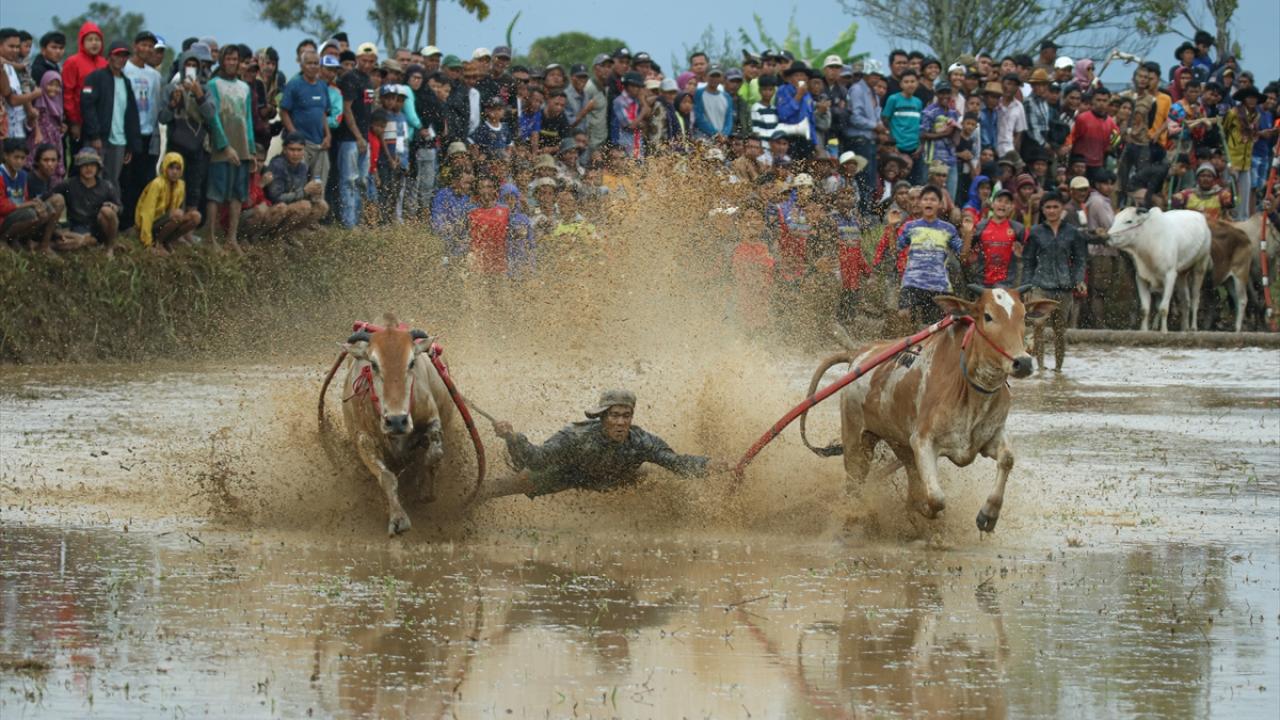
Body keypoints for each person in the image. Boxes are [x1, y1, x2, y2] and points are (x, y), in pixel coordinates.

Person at [483, 389, 728, 500]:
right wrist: (512, 437)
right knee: (508, 484)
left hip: (613, 479)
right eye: (614, 416)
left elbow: (675, 462)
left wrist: (709, 465)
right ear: (602, 417)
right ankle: (470, 501)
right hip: (566, 474)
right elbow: (537, 459)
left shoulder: (641, 441)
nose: (620, 422)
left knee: (652, 478)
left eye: (626, 416)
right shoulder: (576, 436)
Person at [1022, 191, 1086, 371]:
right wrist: (1027, 287)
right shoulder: (1036, 232)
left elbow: (1080, 259)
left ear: (1062, 208)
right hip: (1040, 286)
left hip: (1064, 287)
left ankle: (1058, 369)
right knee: (1038, 326)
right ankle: (1040, 367)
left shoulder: (1072, 232)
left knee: (1060, 330)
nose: (1051, 211)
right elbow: (1028, 261)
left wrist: (1078, 279)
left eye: (1055, 207)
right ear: (1042, 209)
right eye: (1048, 207)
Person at [205, 45, 256, 252]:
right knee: (216, 192)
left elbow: (248, 119)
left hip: (242, 145)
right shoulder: (213, 85)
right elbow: (213, 118)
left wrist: (251, 149)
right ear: (222, 61)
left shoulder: (245, 88)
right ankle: (210, 237)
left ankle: (231, 238)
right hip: (220, 147)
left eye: (235, 59)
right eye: (229, 59)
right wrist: (224, 145)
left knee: (238, 193)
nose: (232, 63)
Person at [896, 184, 969, 324]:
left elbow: (963, 256)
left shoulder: (948, 229)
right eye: (925, 199)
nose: (928, 202)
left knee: (934, 327)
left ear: (940, 204)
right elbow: (895, 250)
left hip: (938, 285)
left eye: (933, 200)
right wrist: (891, 227)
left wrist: (968, 234)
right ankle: (907, 338)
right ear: (920, 203)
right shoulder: (910, 226)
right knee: (903, 315)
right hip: (912, 282)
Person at [159, 43, 215, 213]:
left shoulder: (205, 88)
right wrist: (172, 104)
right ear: (182, 66)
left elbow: (211, 115)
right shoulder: (171, 88)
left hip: (197, 146)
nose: (190, 68)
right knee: (173, 184)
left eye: (194, 65)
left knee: (194, 188)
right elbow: (163, 118)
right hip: (175, 144)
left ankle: (190, 223)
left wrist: (199, 95)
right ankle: (170, 219)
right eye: (188, 65)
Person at [81, 41, 142, 188]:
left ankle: (111, 204)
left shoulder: (126, 83)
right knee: (92, 179)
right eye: (117, 55)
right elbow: (87, 106)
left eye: (124, 56)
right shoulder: (96, 77)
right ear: (109, 57)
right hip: (99, 139)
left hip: (120, 141)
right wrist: (94, 135)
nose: (121, 59)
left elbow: (131, 115)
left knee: (112, 182)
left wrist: (130, 144)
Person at [49, 148, 121, 255]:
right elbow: (50, 196)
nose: (89, 168)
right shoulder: (69, 184)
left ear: (97, 167)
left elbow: (119, 207)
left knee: (107, 211)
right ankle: (45, 245)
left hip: (98, 227)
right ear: (79, 167)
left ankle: (110, 246)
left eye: (92, 165)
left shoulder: (106, 186)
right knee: (77, 242)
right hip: (77, 226)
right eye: (85, 165)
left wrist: (114, 207)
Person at [335, 45, 375, 227]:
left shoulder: (368, 80)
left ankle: (358, 221)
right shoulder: (350, 78)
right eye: (364, 60)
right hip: (350, 139)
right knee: (349, 180)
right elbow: (347, 108)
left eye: (371, 61)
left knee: (362, 181)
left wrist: (364, 138)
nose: (367, 64)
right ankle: (348, 223)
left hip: (364, 138)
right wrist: (358, 136)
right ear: (358, 59)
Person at [280, 51, 332, 188]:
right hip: (302, 145)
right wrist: (294, 135)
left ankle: (318, 203)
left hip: (320, 144)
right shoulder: (294, 84)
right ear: (302, 65)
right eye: (309, 63)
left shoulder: (322, 86)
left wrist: (328, 135)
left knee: (319, 186)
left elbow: (323, 113)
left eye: (316, 63)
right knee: (298, 184)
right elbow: (284, 111)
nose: (313, 66)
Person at [0, 139, 63, 252]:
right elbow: (1, 207)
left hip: (14, 215)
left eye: (22, 158)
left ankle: (19, 239)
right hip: (2, 219)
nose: (19, 161)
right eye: (16, 157)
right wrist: (28, 204)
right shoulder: (1, 175)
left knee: (46, 210)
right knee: (31, 214)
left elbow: (24, 198)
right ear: (5, 156)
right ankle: (3, 240)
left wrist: (36, 204)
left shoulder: (22, 175)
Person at [134, 152, 202, 254]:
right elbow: (147, 213)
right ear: (165, 167)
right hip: (151, 224)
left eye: (178, 168)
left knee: (195, 216)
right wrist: (147, 242)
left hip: (166, 222)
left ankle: (168, 241)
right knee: (177, 214)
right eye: (171, 168)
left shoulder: (180, 185)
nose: (174, 172)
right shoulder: (157, 184)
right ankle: (157, 243)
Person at [264, 132, 328, 229]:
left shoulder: (302, 166)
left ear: (304, 150)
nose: (295, 154)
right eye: (292, 149)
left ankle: (296, 232)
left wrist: (314, 192)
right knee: (303, 206)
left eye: (299, 150)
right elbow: (275, 198)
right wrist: (304, 191)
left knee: (322, 205)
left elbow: (300, 193)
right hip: (275, 208)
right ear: (284, 149)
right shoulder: (278, 165)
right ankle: (278, 235)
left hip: (292, 205)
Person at [61, 22, 107, 152]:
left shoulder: (104, 63)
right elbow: (68, 93)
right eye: (90, 39)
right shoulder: (73, 62)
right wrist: (74, 122)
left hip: (101, 123)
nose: (94, 43)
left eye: (97, 39)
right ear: (82, 42)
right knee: (79, 158)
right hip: (80, 122)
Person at [966, 188, 1025, 288]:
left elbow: (1025, 256)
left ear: (1011, 207)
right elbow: (967, 251)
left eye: (1007, 202)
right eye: (999, 200)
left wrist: (1020, 255)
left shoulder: (1018, 229)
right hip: (981, 283)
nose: (1002, 204)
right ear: (992, 204)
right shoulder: (980, 226)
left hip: (1007, 284)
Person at [883, 69, 924, 183]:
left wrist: (920, 145)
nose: (910, 84)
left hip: (915, 150)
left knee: (916, 183)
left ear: (917, 83)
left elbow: (919, 125)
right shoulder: (893, 99)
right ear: (901, 84)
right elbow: (885, 120)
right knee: (896, 181)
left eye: (912, 81)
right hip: (898, 148)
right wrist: (892, 144)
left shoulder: (918, 102)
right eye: (906, 82)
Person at [693, 67, 733, 140]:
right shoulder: (698, 94)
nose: (715, 79)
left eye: (717, 76)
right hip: (704, 138)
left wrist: (724, 134)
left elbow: (729, 119)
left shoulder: (727, 97)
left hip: (722, 139)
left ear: (722, 78)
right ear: (706, 77)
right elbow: (699, 118)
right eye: (712, 76)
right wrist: (715, 134)